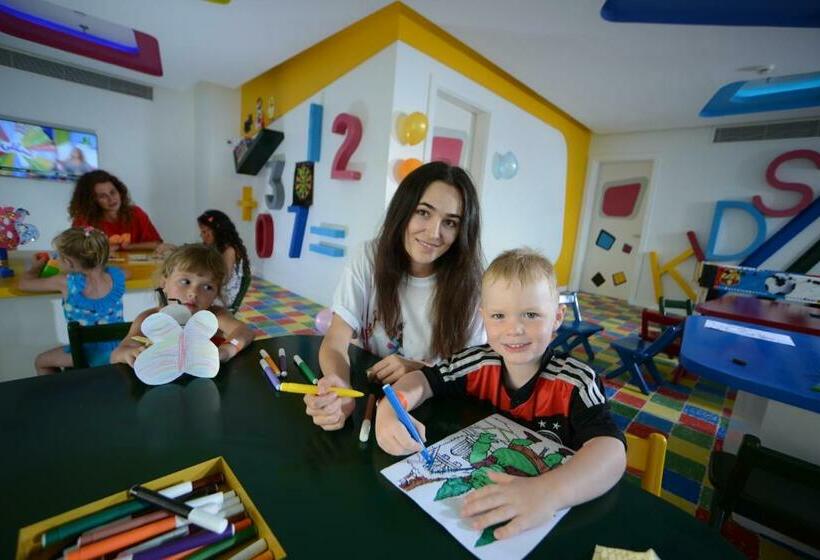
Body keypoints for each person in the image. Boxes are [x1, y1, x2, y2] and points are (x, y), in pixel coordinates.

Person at [375, 248, 626, 541]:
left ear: (557, 317)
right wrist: (389, 411)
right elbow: (424, 380)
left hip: (559, 518)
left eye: (531, 314)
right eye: (498, 316)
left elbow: (612, 450)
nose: (514, 329)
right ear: (483, 318)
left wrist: (549, 493)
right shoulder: (477, 362)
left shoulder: (576, 382)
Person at [305, 162, 485, 431]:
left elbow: (474, 374)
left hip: (433, 411)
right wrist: (338, 385)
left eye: (450, 222)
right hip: (369, 397)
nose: (434, 233)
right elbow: (335, 340)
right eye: (424, 212)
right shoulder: (368, 258)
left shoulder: (474, 285)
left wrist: (421, 369)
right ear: (403, 210)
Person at [111, 244, 255, 367]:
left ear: (216, 295)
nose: (193, 293)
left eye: (207, 287)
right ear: (163, 283)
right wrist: (128, 353)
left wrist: (227, 350)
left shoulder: (215, 316)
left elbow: (245, 332)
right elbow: (117, 355)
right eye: (185, 282)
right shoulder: (149, 318)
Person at [18, 227, 125, 374]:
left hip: (87, 354)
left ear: (68, 262)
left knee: (41, 362)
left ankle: (60, 395)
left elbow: (24, 284)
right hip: (120, 349)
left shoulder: (67, 283)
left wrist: (36, 268)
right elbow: (127, 272)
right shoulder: (117, 275)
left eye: (59, 257)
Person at [69, 170, 164, 252]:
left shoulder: (136, 213)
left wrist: (127, 247)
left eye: (113, 192)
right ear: (91, 201)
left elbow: (157, 244)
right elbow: (75, 250)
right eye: (102, 196)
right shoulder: (83, 220)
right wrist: (103, 250)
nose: (111, 199)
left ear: (120, 191)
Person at [197, 210, 250, 308]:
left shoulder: (229, 250)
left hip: (224, 296)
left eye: (204, 231)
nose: (202, 235)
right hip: (218, 290)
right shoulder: (217, 246)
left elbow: (224, 279)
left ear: (216, 231)